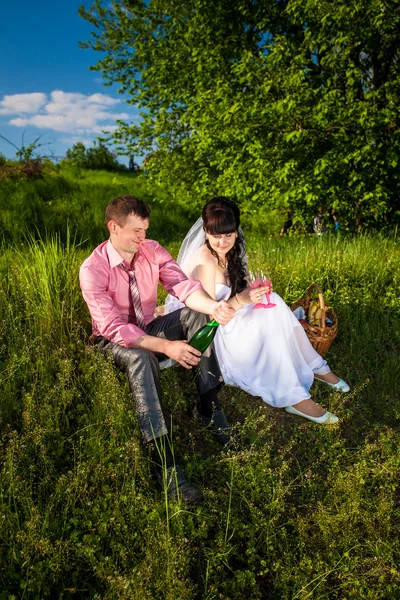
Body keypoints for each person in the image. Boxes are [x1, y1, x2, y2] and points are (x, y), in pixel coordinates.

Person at [79, 195, 236, 504]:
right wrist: (167, 346)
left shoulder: (152, 251)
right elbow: (114, 328)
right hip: (110, 340)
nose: (143, 237)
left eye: (146, 229)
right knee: (140, 356)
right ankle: (163, 463)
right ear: (114, 227)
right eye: (137, 231)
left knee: (199, 313)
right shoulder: (92, 269)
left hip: (149, 325)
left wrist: (214, 307)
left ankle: (208, 408)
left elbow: (184, 287)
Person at [165, 197, 350, 425]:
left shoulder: (230, 251)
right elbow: (210, 315)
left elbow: (239, 286)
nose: (222, 242)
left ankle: (317, 366)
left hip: (232, 315)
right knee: (268, 325)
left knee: (273, 301)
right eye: (216, 236)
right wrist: (243, 299)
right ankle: (294, 398)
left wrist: (253, 289)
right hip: (215, 330)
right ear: (206, 231)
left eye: (228, 235)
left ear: (236, 232)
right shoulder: (205, 260)